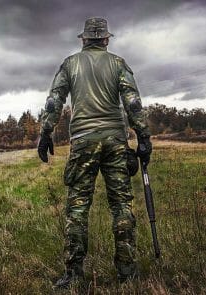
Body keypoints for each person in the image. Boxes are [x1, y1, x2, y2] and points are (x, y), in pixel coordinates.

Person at [37, 17, 152, 288]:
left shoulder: (70, 64)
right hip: (115, 141)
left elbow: (55, 101)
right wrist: (143, 137)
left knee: (77, 208)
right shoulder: (118, 63)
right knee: (121, 205)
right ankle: (127, 272)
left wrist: (45, 133)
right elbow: (132, 102)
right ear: (106, 39)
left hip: (83, 142)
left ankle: (73, 275)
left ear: (84, 39)